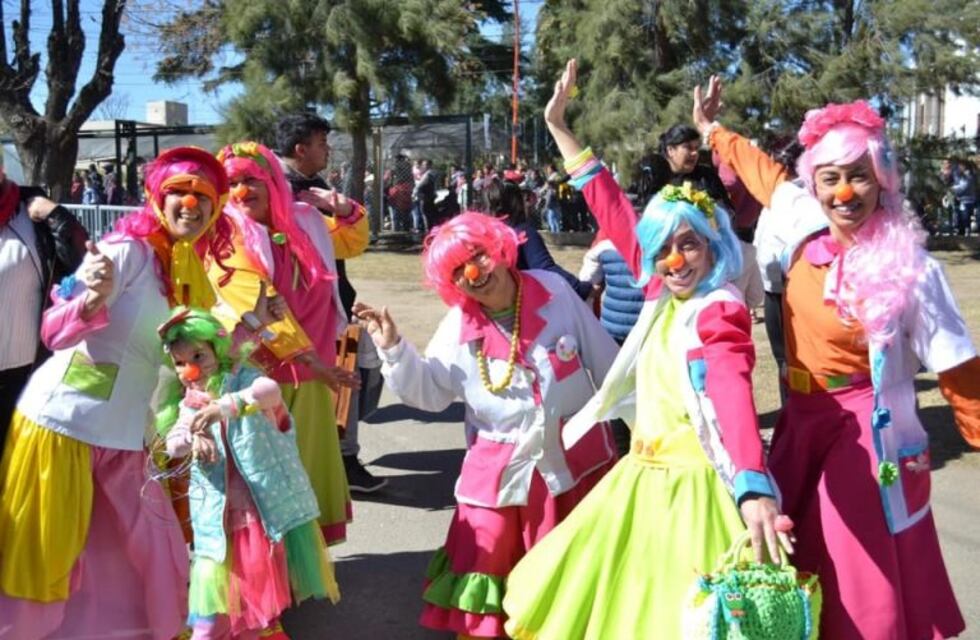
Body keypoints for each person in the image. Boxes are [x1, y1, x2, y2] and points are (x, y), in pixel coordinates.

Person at [501, 59, 788, 640]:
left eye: (690, 245)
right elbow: (610, 204)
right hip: (640, 479)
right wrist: (559, 125)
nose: (675, 259)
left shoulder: (718, 308)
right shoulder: (662, 288)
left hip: (695, 492)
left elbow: (733, 396)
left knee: (681, 616)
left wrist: (754, 485)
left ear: (713, 248)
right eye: (663, 248)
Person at [694, 86, 980, 637]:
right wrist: (712, 131)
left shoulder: (913, 268)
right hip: (802, 420)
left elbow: (959, 367)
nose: (845, 192)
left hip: (865, 434)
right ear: (814, 184)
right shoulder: (803, 225)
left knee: (856, 570)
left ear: (883, 179)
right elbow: (762, 173)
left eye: (860, 175)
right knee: (791, 553)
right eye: (831, 178)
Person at [0, 147, 235, 639]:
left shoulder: (181, 266)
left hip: (126, 434)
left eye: (204, 197)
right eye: (179, 192)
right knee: (46, 558)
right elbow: (54, 332)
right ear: (156, 197)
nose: (191, 205)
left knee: (153, 548)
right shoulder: (126, 250)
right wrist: (91, 298)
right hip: (63, 428)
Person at [354, 212, 620, 639]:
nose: (474, 273)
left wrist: (646, 422)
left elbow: (606, 360)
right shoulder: (459, 326)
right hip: (499, 468)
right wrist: (393, 349)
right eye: (458, 270)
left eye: (477, 256)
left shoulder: (553, 291)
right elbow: (428, 393)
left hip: (575, 462)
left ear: (498, 249)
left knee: (572, 571)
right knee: (487, 562)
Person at [211, 141, 363, 545]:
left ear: (273, 181)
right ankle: (272, 564)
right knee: (266, 475)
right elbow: (259, 305)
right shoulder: (225, 236)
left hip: (311, 373)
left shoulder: (304, 221)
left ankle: (304, 558)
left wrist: (343, 208)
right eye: (232, 183)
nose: (241, 192)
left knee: (307, 467)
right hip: (259, 375)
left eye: (251, 180)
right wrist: (313, 361)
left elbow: (352, 242)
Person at [157, 307, 339, 639]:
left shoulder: (242, 378)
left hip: (257, 515)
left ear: (216, 349)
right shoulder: (189, 402)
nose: (191, 369)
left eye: (197, 355)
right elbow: (173, 444)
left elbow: (269, 392)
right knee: (213, 614)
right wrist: (191, 437)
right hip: (216, 521)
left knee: (254, 613)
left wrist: (224, 407)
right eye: (180, 363)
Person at [275, 114, 385, 493]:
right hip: (300, 313)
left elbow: (347, 240)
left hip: (337, 303)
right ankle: (340, 461)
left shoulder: (314, 187)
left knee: (355, 381)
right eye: (322, 143)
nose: (328, 150)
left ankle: (344, 457)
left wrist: (342, 208)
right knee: (334, 386)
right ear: (300, 149)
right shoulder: (279, 189)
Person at [0, 167, 88, 453]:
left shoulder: (31, 213)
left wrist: (58, 217)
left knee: (17, 475)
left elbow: (81, 263)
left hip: (25, 375)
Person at [482, 177, 592, 300]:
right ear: (515, 202)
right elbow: (545, 268)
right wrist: (581, 288)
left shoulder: (484, 234)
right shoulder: (523, 233)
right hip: (522, 305)